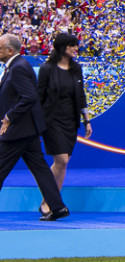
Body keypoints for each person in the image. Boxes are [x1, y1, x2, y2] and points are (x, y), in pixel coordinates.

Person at [0, 33, 69, 220]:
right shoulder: (13, 67)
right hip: (27, 130)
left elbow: (29, 97)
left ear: (10, 50)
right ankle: (57, 207)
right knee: (40, 169)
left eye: (0, 48)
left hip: (18, 130)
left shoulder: (18, 68)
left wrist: (8, 118)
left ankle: (56, 206)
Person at [37, 32, 91, 215]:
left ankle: (54, 203)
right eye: (72, 45)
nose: (77, 48)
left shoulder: (76, 69)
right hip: (51, 121)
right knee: (61, 159)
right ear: (62, 47)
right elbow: (39, 97)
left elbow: (81, 95)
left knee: (63, 164)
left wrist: (86, 120)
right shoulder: (47, 69)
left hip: (70, 121)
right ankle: (48, 201)